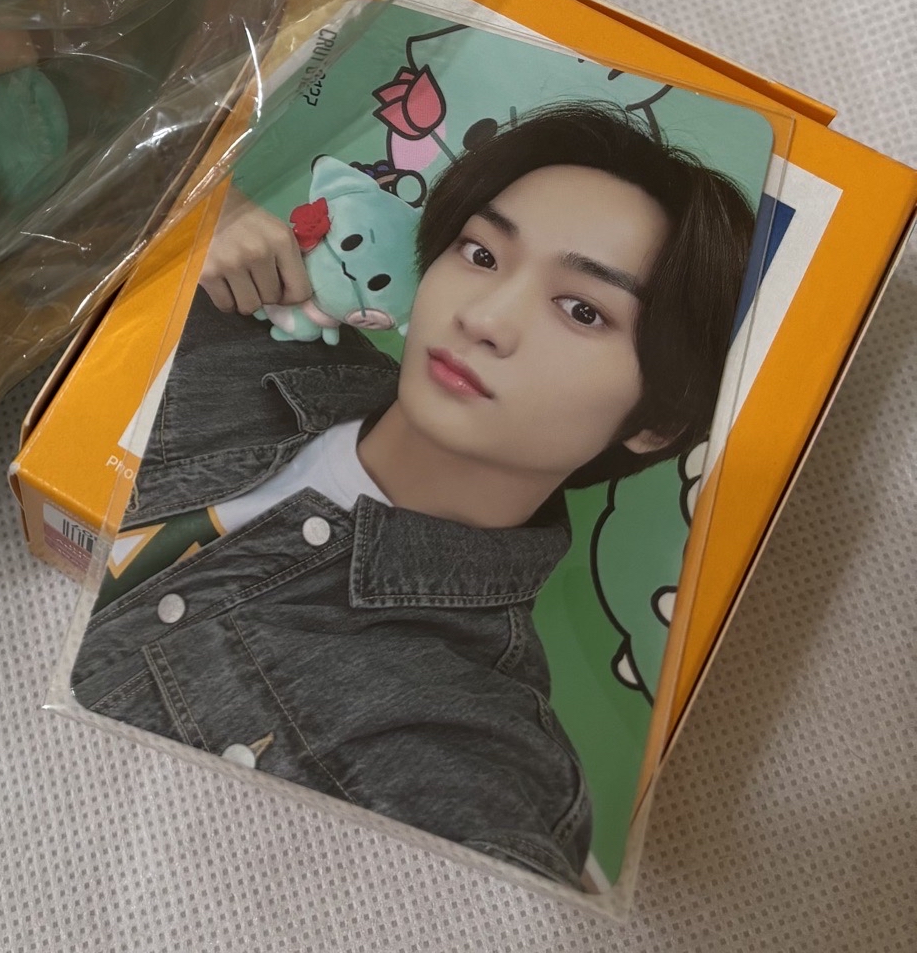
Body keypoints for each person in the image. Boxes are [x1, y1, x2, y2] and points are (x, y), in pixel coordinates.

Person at [69, 102, 756, 887]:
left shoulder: (467, 741)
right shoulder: (233, 322)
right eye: (482, 253)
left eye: (582, 310)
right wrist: (179, 213)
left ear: (658, 423)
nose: (485, 318)